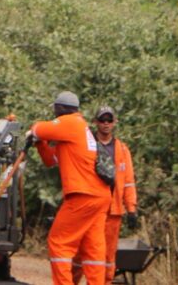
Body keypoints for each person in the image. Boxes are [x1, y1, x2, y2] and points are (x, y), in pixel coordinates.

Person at [28, 91, 112, 284]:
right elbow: (51, 159)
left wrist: (33, 133)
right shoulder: (79, 132)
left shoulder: (71, 122)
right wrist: (40, 144)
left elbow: (39, 128)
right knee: (93, 249)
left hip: (83, 195)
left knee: (59, 243)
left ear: (61, 108)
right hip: (99, 196)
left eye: (55, 109)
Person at [72, 106, 137, 285]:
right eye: (102, 120)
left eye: (109, 120)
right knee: (79, 252)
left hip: (112, 211)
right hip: (89, 208)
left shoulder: (122, 150)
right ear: (96, 122)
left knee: (107, 257)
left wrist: (131, 209)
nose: (106, 124)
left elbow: (129, 181)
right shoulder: (87, 146)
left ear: (115, 122)